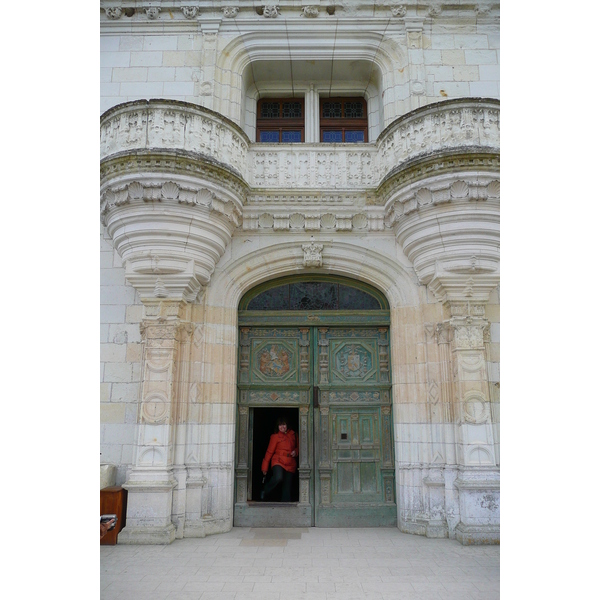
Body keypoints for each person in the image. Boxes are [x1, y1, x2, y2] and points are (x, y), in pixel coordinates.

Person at [260, 417, 298, 501]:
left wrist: (296, 451)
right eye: (280, 425)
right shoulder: (275, 437)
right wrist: (264, 467)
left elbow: (299, 447)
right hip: (278, 460)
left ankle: (285, 509)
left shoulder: (293, 434)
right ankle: (265, 490)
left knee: (287, 489)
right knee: (278, 477)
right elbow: (269, 452)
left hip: (290, 462)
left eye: (284, 424)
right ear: (277, 426)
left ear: (287, 425)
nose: (282, 427)